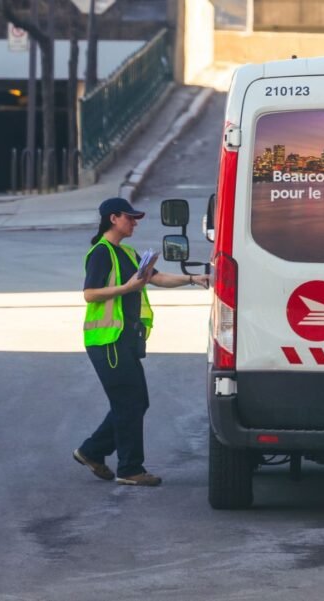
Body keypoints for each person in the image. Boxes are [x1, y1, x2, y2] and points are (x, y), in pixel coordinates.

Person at [73, 197, 209, 487]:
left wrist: (192, 279)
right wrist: (128, 287)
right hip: (107, 339)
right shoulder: (101, 252)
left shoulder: (129, 252)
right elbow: (90, 293)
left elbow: (157, 279)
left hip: (124, 339)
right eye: (130, 217)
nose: (134, 222)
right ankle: (130, 469)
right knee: (129, 402)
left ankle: (91, 451)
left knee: (136, 402)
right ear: (113, 218)